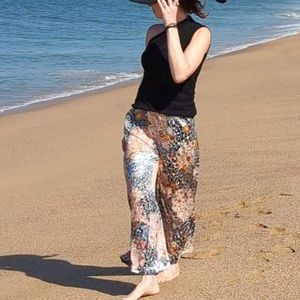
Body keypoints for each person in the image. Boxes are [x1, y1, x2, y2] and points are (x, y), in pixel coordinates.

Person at [120, 0, 226, 299]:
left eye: (154, 0)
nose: (150, 5)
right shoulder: (152, 31)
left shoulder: (200, 34)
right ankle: (148, 274)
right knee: (141, 197)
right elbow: (152, 78)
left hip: (178, 129)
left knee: (175, 204)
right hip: (140, 124)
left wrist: (170, 25)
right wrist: (163, 27)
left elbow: (180, 73)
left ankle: (168, 254)